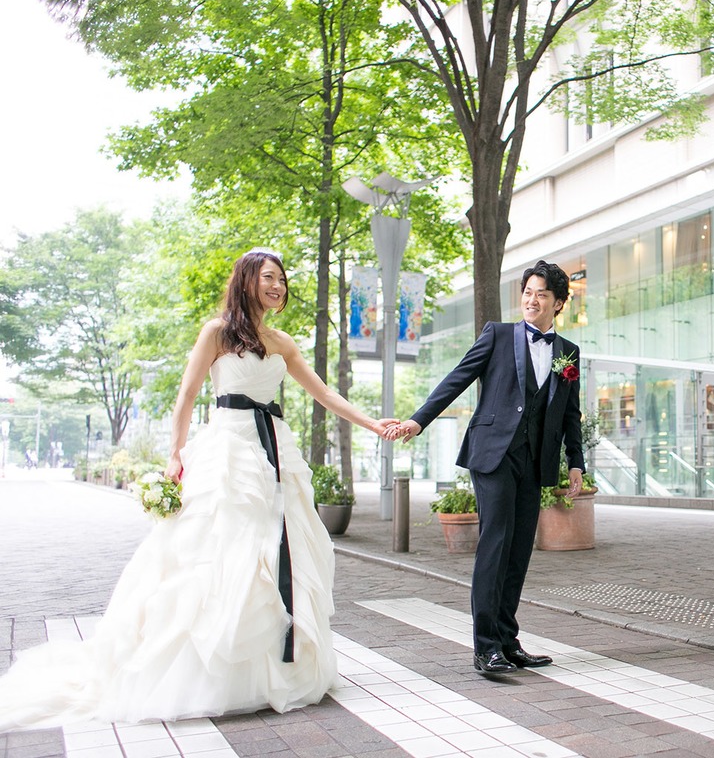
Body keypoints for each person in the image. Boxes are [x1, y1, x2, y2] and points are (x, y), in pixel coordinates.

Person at [0, 249, 396, 730]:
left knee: (275, 553)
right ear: (248, 280)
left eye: (283, 281)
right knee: (219, 551)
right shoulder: (217, 333)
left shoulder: (283, 342)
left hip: (274, 454)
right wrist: (175, 453)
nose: (278, 287)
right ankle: (211, 668)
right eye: (269, 278)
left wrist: (375, 424)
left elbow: (326, 394)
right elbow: (186, 394)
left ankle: (270, 667)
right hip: (228, 453)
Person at [384, 260, 584, 674]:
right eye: (528, 292)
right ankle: (485, 646)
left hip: (535, 459)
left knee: (518, 549)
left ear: (558, 303)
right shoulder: (498, 334)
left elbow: (570, 414)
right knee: (495, 541)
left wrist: (575, 463)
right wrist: (418, 420)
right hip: (492, 452)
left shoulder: (568, 353)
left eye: (541, 294)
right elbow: (459, 377)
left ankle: (508, 641)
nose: (532, 299)